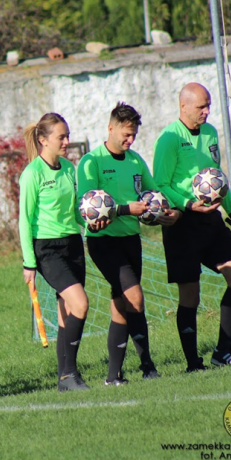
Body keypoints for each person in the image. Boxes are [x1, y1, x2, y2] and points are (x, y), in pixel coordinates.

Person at [77, 103, 181, 385]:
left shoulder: (135, 160)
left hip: (131, 239)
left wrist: (166, 212)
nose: (130, 140)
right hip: (103, 242)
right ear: (110, 128)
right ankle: (148, 367)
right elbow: (85, 207)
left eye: (133, 135)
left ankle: (114, 377)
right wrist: (125, 210)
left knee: (121, 303)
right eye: (125, 134)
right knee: (134, 296)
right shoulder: (92, 161)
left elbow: (154, 194)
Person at [153, 82, 231, 372]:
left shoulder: (210, 133)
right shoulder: (169, 139)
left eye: (208, 105)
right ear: (183, 106)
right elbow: (161, 184)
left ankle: (223, 350)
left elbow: (217, 180)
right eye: (201, 107)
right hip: (181, 222)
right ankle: (193, 363)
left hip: (210, 220)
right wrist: (187, 204)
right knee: (190, 295)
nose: (207, 111)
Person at [18, 113, 91, 391]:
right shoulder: (32, 174)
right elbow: (24, 220)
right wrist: (29, 263)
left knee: (67, 311)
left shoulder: (69, 170)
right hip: (46, 249)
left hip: (72, 243)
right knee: (81, 304)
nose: (67, 141)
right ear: (43, 140)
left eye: (68, 135)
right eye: (61, 137)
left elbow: (75, 212)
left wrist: (91, 223)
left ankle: (64, 379)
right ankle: (70, 373)